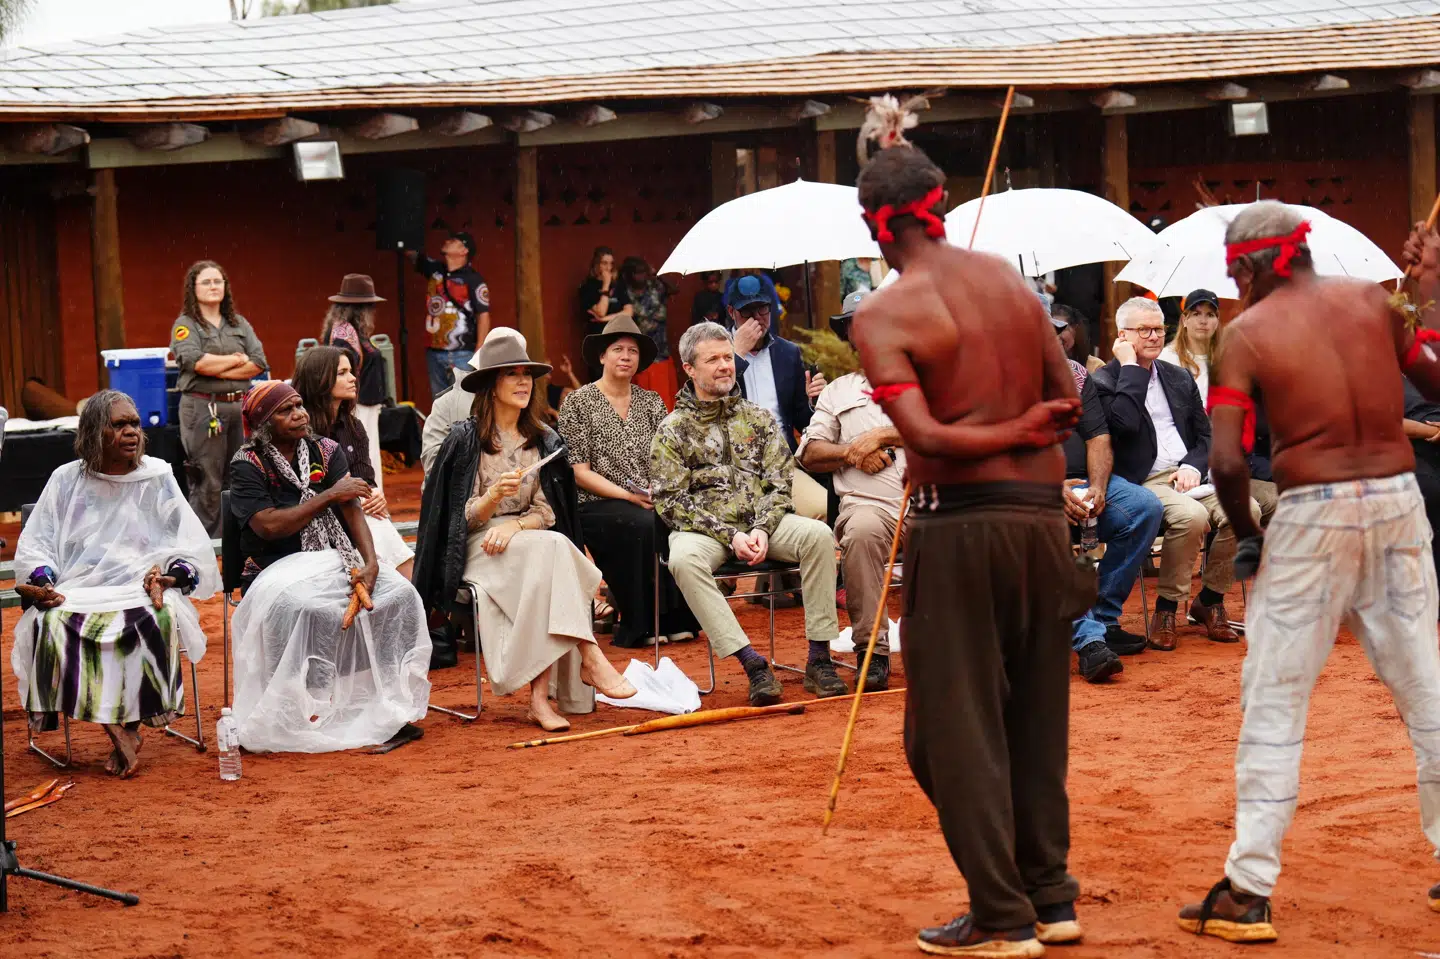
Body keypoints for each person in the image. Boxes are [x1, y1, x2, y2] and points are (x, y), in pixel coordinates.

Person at [847, 101, 1089, 956]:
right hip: (1040, 524)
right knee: (1034, 714)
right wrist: (1026, 431)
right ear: (939, 206)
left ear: (875, 230)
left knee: (948, 730)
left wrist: (1001, 436)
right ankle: (1048, 893)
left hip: (963, 527)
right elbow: (1070, 395)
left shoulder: (881, 314)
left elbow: (926, 439)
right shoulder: (1013, 284)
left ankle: (1003, 912)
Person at [1176, 205, 1440, 940]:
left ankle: (1249, 887)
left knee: (1275, 701)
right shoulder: (1376, 303)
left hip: (1312, 511)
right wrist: (1429, 291)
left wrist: (1252, 528)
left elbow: (1228, 460)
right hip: (1396, 498)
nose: (1232, 289)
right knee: (1426, 685)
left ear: (1258, 266)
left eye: (1234, 273)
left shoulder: (1246, 336)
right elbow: (1433, 374)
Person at [412, 330, 637, 732]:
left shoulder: (543, 438)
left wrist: (516, 524)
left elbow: (548, 512)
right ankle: (590, 656)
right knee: (553, 554)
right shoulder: (465, 440)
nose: (522, 382)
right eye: (510, 374)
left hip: (527, 539)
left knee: (548, 559)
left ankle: (540, 699)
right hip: (480, 546)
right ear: (490, 385)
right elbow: (452, 520)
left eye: (526, 375)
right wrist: (492, 499)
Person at [12, 390, 220, 778]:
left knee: (157, 618)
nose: (131, 432)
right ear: (94, 432)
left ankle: (128, 730)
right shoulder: (66, 479)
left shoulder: (156, 476)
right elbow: (37, 545)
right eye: (119, 424)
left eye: (135, 424)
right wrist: (43, 582)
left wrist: (171, 576)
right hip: (78, 590)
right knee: (53, 624)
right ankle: (118, 730)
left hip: (139, 587)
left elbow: (187, 546)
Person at [228, 381, 431, 753]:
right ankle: (291, 710)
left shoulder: (326, 449)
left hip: (335, 557)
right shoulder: (247, 463)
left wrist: (370, 563)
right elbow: (270, 526)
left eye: (300, 406)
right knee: (305, 607)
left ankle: (385, 707)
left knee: (401, 594)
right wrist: (329, 496)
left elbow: (352, 508)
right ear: (263, 423)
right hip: (276, 566)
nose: (300, 414)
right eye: (286, 410)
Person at [651, 321, 842, 706]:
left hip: (764, 523)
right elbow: (671, 502)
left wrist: (762, 529)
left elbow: (779, 483)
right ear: (689, 369)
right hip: (706, 531)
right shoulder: (672, 430)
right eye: (713, 360)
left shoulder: (758, 418)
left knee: (819, 536)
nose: (725, 366)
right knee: (684, 560)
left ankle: (820, 659)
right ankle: (752, 664)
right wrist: (731, 535)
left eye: (727, 357)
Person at [1089, 296, 1261, 651]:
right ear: (1122, 336)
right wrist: (1131, 370)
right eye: (1144, 330)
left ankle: (1210, 599)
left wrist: (1192, 466)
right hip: (1143, 479)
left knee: (1248, 511)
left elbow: (1207, 433)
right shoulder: (1105, 380)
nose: (1154, 336)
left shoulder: (1177, 375)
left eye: (1159, 329)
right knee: (1191, 517)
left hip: (1188, 472)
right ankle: (1166, 609)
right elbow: (1122, 426)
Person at [557, 316, 700, 649]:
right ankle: (639, 622)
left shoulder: (651, 402)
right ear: (602, 356)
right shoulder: (578, 402)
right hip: (595, 502)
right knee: (641, 522)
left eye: (632, 351)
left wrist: (656, 492)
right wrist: (627, 495)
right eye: (617, 349)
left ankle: (676, 618)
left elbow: (669, 456)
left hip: (649, 497)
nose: (625, 356)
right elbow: (578, 470)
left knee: (668, 518)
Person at [796, 290, 902, 692]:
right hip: (870, 508)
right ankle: (872, 652)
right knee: (859, 531)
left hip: (930, 503)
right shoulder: (837, 391)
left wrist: (883, 434)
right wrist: (853, 454)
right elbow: (810, 453)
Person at [1061, 372, 1165, 682]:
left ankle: (1104, 621)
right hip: (1026, 489)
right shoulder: (994, 377)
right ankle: (1089, 641)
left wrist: (1098, 486)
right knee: (1040, 525)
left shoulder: (1074, 374)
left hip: (1084, 481)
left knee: (1144, 508)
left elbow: (1098, 437)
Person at [292, 345, 414, 579]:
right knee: (377, 528)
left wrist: (375, 494)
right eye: (342, 373)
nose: (352, 379)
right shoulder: (298, 429)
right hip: (314, 520)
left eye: (351, 371)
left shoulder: (353, 427)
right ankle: (413, 593)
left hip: (356, 513)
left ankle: (407, 593)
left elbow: (365, 478)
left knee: (376, 519)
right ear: (319, 379)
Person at [170, 260, 268, 537]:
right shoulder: (185, 325)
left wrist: (217, 363)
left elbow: (259, 361)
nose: (214, 286)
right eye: (206, 282)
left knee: (240, 475)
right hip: (203, 407)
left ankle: (238, 540)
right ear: (193, 288)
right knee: (207, 481)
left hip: (240, 406)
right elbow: (194, 362)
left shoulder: (239, 323)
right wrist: (237, 360)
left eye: (218, 281)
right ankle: (207, 546)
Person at [727, 274, 829, 522]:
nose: (755, 319)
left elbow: (803, 421)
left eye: (762, 309)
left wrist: (814, 401)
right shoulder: (716, 353)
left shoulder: (787, 352)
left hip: (783, 463)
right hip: (735, 468)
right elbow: (712, 406)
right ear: (732, 312)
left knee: (825, 507)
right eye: (746, 311)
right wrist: (736, 355)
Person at [320, 273, 388, 492]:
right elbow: (341, 371)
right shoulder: (344, 334)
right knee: (363, 459)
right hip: (357, 406)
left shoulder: (349, 330)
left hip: (365, 404)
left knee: (368, 458)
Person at [410, 231, 490, 399]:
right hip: (434, 352)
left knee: (464, 404)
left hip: (463, 353)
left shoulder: (473, 279)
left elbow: (483, 315)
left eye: (454, 240)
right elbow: (412, 256)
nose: (447, 241)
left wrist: (479, 349)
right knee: (440, 404)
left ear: (464, 250)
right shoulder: (435, 270)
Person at [611, 256, 679, 407]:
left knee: (666, 402)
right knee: (644, 404)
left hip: (662, 352)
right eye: (637, 273)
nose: (641, 276)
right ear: (629, 274)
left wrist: (658, 275)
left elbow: (675, 289)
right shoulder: (625, 293)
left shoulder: (654, 286)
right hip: (641, 356)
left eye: (643, 272)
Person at [1403, 375, 1440, 590]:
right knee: (1431, 491)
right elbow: (1379, 424)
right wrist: (1433, 431)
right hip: (1420, 438)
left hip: (1425, 426)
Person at [1159, 288, 1221, 403]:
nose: (1203, 321)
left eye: (1210, 315)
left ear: (1217, 321)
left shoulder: (1225, 361)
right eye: (1196, 314)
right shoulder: (1168, 359)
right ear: (1184, 320)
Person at [578, 246, 627, 371]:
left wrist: (604, 319)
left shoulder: (618, 285)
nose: (608, 267)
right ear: (596, 265)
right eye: (604, 263)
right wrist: (605, 285)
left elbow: (629, 312)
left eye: (611, 263)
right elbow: (600, 311)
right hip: (599, 344)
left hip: (619, 341)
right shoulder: (588, 287)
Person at [1052, 302, 1103, 374]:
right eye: (1049, 330)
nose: (1055, 337)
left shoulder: (1095, 366)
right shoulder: (1038, 365)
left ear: (1075, 329)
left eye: (1061, 329)